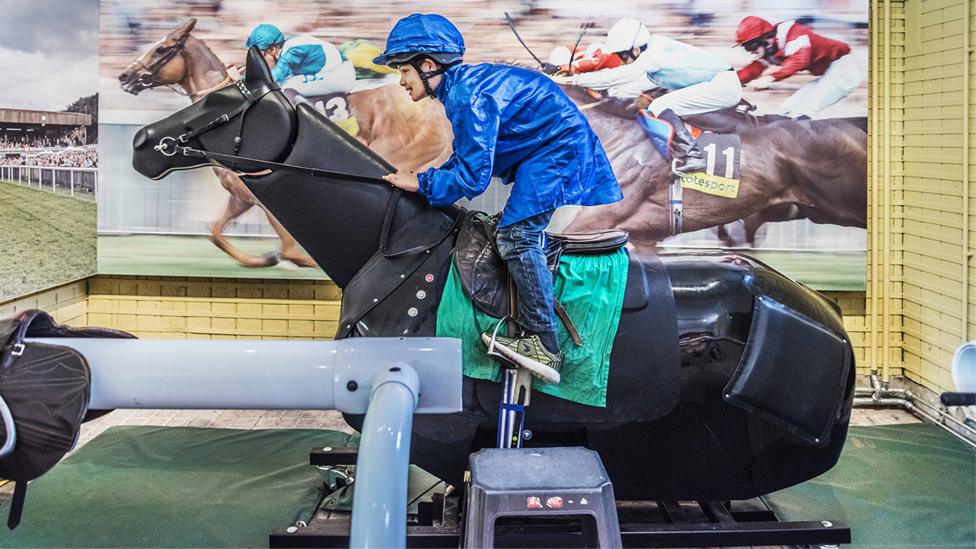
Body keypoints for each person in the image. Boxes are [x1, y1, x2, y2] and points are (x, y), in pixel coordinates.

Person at [375, 13, 622, 381]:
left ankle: (544, 344)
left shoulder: (466, 97)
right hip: (548, 152)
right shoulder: (461, 90)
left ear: (427, 65)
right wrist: (425, 178)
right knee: (515, 230)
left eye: (404, 71)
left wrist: (423, 185)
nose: (401, 81)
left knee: (516, 237)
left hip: (556, 152)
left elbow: (473, 178)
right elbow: (467, 158)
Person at [557, 18, 742, 174]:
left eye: (622, 55)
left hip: (723, 85)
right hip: (715, 83)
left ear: (636, 49)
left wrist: (574, 81)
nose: (621, 61)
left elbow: (624, 75)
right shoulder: (654, 62)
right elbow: (621, 89)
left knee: (661, 105)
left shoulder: (655, 54)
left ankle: (691, 155)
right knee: (654, 103)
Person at [734, 16, 861, 119]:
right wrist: (730, 81)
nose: (750, 51)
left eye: (750, 46)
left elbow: (799, 60)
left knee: (804, 110)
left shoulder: (794, 33)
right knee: (787, 109)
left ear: (765, 39)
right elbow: (752, 70)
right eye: (746, 48)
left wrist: (769, 78)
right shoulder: (771, 47)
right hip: (829, 72)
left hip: (844, 69)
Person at [244, 23, 356, 98]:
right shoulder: (288, 45)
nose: (260, 62)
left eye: (261, 56)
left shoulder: (292, 52)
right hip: (335, 71)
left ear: (273, 49)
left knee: (285, 87)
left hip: (341, 76)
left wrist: (240, 80)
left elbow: (272, 81)